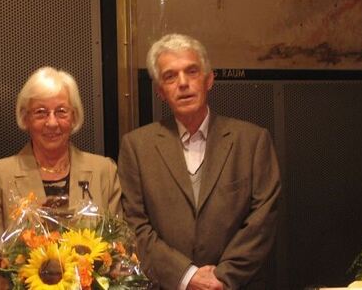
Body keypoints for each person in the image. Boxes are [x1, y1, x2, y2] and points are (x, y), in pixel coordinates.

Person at [117, 34, 281, 290]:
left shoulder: (252, 141)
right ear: (160, 91)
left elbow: (263, 219)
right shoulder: (136, 147)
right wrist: (187, 277)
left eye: (191, 72)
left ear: (209, 79)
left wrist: (222, 278)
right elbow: (135, 226)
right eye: (170, 76)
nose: (183, 83)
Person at [0, 66, 122, 286]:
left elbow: (118, 250)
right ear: (25, 118)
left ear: (74, 117)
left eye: (61, 111)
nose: (52, 122)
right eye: (40, 112)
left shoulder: (103, 171)